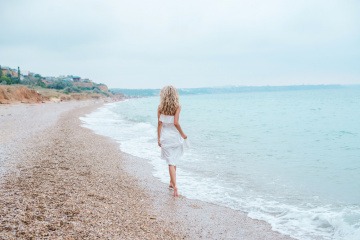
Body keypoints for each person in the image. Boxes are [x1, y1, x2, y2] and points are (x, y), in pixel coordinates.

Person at [157, 85, 187, 197]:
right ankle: (173, 184)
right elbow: (176, 123)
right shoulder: (177, 107)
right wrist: (183, 134)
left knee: (170, 161)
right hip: (175, 137)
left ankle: (173, 184)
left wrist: (158, 139)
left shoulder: (160, 107)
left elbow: (159, 124)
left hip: (165, 137)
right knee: (173, 160)